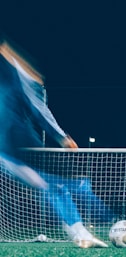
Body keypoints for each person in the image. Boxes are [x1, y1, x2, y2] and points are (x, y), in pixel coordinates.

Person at [0, 37, 107, 248]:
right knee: (64, 184)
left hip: (9, 153)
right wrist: (62, 137)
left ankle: (80, 233)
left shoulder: (11, 85)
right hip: (12, 151)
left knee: (54, 186)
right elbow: (39, 110)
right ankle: (92, 227)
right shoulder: (20, 82)